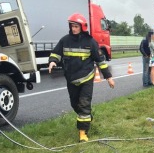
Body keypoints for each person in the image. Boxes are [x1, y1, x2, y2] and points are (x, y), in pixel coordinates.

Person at [48, 13, 115, 142]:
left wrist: (109, 78)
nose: (73, 29)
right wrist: (52, 61)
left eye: (76, 26)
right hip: (71, 79)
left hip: (86, 78)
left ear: (82, 27)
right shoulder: (65, 40)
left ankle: (83, 133)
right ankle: (87, 117)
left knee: (84, 104)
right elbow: (56, 53)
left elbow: (100, 61)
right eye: (72, 26)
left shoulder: (90, 42)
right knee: (75, 104)